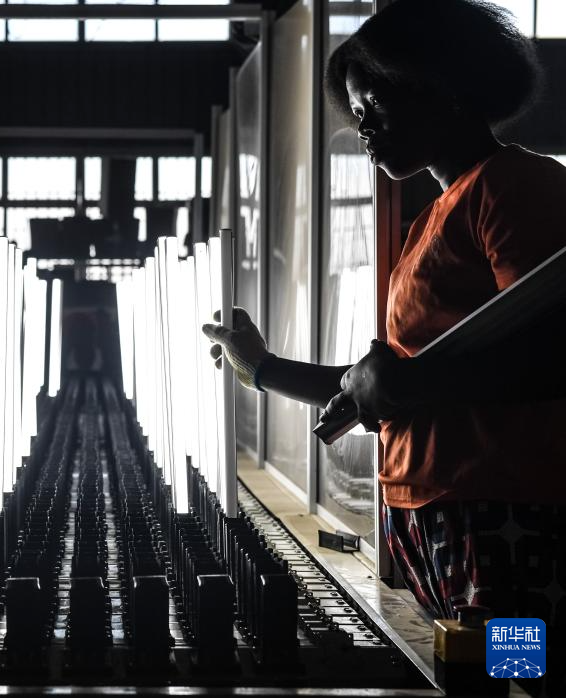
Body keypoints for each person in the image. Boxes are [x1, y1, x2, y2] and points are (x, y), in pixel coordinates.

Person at [203, 0, 565, 693]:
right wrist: (262, 367)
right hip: (440, 518)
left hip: (500, 519)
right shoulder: (431, 217)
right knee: (477, 675)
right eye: (357, 112)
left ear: (444, 88)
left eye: (378, 107)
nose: (363, 130)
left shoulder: (515, 187)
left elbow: (552, 351)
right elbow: (389, 381)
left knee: (521, 678)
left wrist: (407, 386)